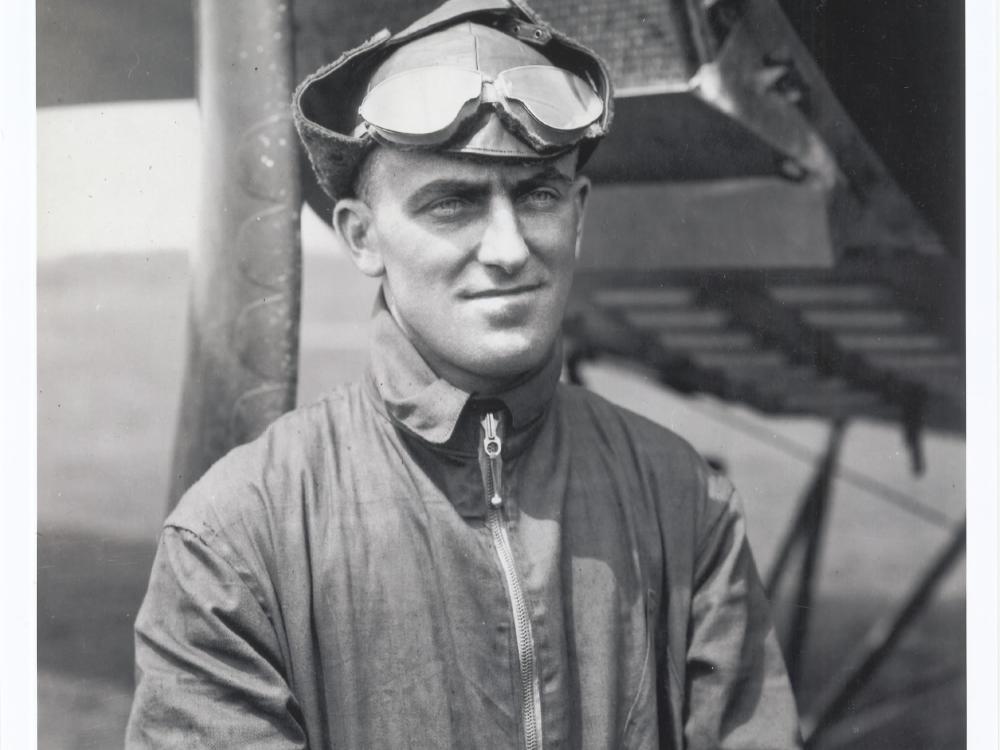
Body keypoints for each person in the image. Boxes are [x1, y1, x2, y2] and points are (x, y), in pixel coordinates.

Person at [126, 0, 801, 747]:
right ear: (361, 235)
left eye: (537, 194)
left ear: (577, 212)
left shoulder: (685, 503)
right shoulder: (230, 543)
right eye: (452, 203)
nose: (508, 248)